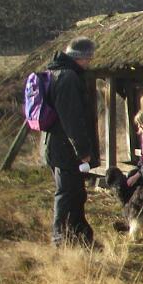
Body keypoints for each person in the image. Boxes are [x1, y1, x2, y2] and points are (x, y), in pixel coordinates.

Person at [42, 36, 99, 247]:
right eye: (89, 58)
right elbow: (72, 119)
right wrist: (83, 151)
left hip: (56, 146)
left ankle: (81, 237)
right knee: (67, 195)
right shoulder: (68, 78)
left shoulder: (56, 73)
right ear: (80, 57)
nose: (89, 63)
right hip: (65, 149)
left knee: (75, 193)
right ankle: (61, 241)